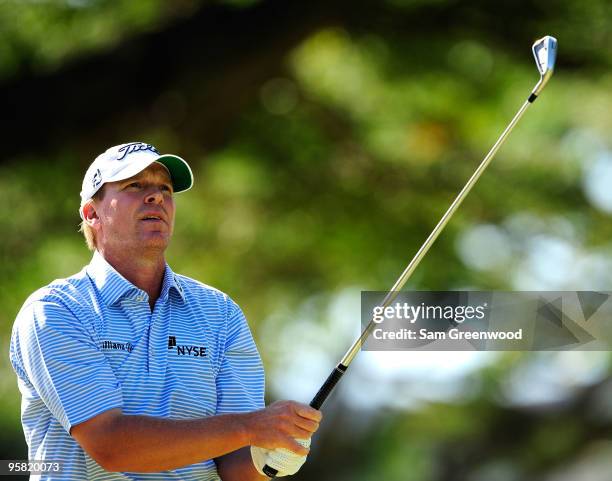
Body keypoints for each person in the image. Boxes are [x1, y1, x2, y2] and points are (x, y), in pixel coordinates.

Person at [9, 142, 321, 480]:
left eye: (165, 189)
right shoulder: (57, 310)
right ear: (92, 213)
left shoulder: (220, 314)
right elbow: (111, 445)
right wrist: (249, 427)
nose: (156, 197)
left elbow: (235, 466)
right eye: (135, 185)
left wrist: (272, 455)